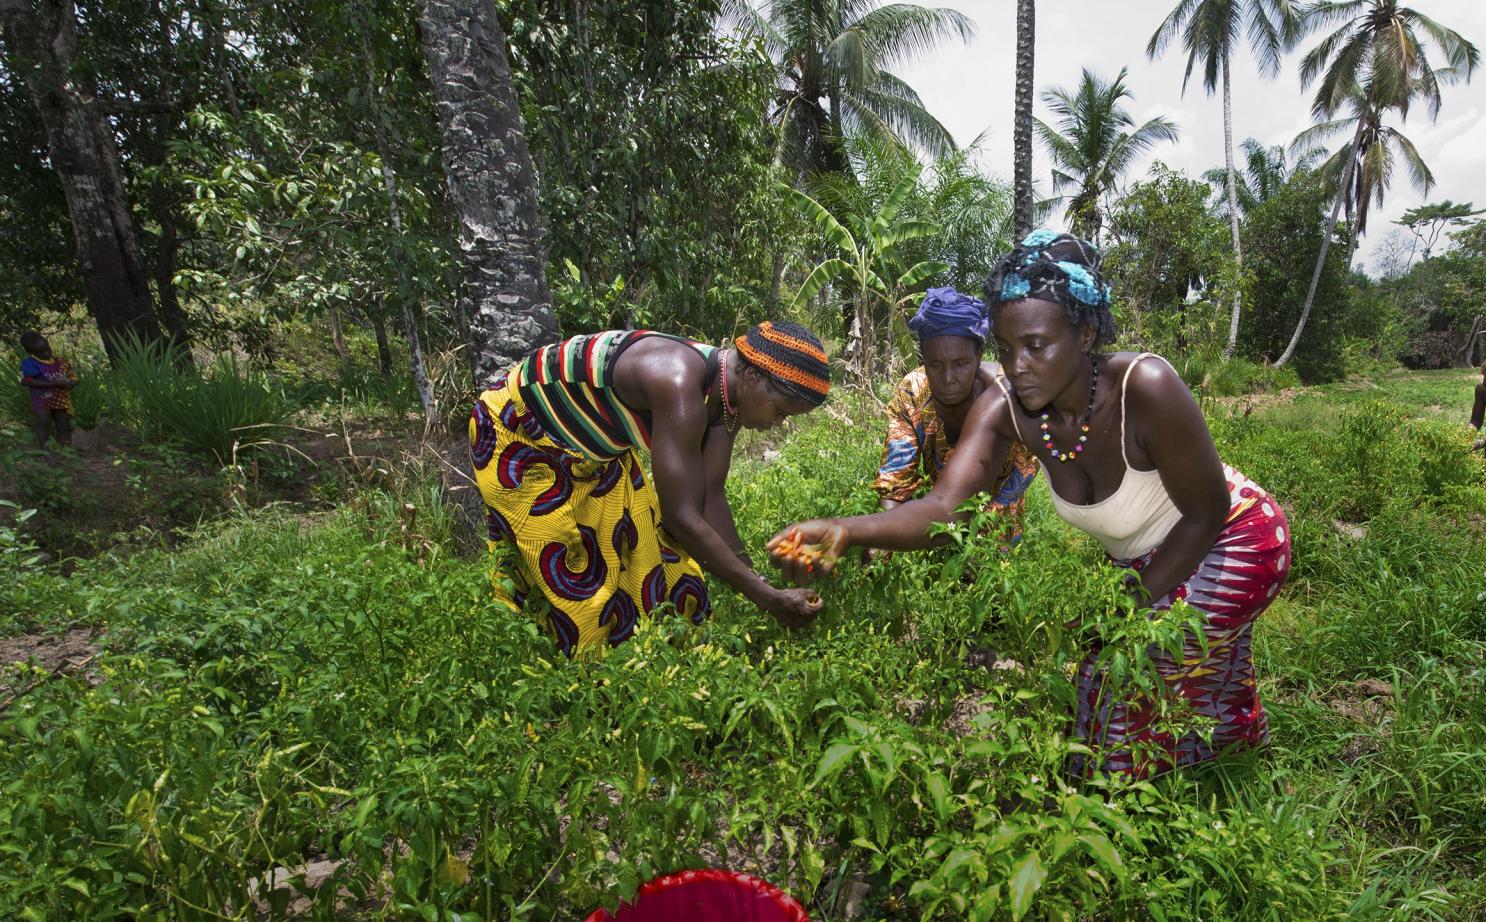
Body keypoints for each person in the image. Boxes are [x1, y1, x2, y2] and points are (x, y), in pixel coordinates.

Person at [769, 231, 1292, 778]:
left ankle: (1158, 800)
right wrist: (845, 529)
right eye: (1005, 349)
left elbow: (1205, 514)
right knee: (1137, 681)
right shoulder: (1007, 409)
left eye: (1036, 346)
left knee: (1117, 683)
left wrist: (1122, 608)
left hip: (1236, 538)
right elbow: (944, 505)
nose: (1015, 366)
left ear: (1085, 333)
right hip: (1150, 559)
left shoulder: (1145, 385)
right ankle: (1235, 748)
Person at [471, 322, 831, 656]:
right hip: (521, 437)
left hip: (596, 453)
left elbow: (711, 496)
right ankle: (570, 690)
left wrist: (758, 580)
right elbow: (681, 517)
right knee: (577, 593)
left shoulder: (727, 397)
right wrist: (767, 598)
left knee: (665, 576)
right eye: (780, 410)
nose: (778, 423)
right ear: (752, 376)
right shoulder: (677, 381)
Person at [872, 287, 1038, 543]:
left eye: (960, 364)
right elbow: (896, 480)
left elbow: (1019, 477)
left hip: (996, 518)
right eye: (935, 365)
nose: (948, 379)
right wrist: (882, 540)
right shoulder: (913, 393)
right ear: (923, 359)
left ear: (979, 356)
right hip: (931, 519)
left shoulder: (1013, 397)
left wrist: (975, 541)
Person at [18, 332, 77, 450]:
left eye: (47, 349)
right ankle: (45, 450)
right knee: (44, 422)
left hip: (60, 398)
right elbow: (26, 381)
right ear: (31, 352)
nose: (47, 353)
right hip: (41, 399)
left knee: (64, 424)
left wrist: (72, 382)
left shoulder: (60, 362)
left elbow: (72, 375)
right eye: (41, 352)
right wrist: (53, 384)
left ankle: (66, 449)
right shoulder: (30, 364)